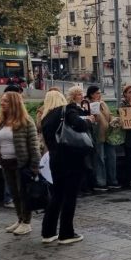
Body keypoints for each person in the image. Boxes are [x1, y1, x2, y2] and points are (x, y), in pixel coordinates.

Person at [40, 86, 92, 243]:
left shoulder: (45, 118)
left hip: (55, 160)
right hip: (71, 159)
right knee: (70, 196)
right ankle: (66, 233)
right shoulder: (67, 109)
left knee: (56, 195)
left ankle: (48, 232)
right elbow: (79, 124)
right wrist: (88, 120)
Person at [0, 91, 40, 237]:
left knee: (23, 193)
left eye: (5, 101)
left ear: (14, 103)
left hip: (21, 163)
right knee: (14, 193)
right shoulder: (0, 121)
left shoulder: (26, 121)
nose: (2, 103)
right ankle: (20, 219)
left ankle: (26, 222)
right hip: (5, 162)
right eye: (2, 100)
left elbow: (34, 145)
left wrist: (35, 166)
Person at [86, 85, 118, 191]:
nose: (99, 95)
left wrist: (113, 119)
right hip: (98, 135)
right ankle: (100, 182)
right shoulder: (88, 105)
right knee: (100, 159)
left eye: (100, 93)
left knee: (111, 158)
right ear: (91, 94)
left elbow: (110, 114)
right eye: (97, 93)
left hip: (109, 134)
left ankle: (112, 180)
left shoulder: (103, 103)